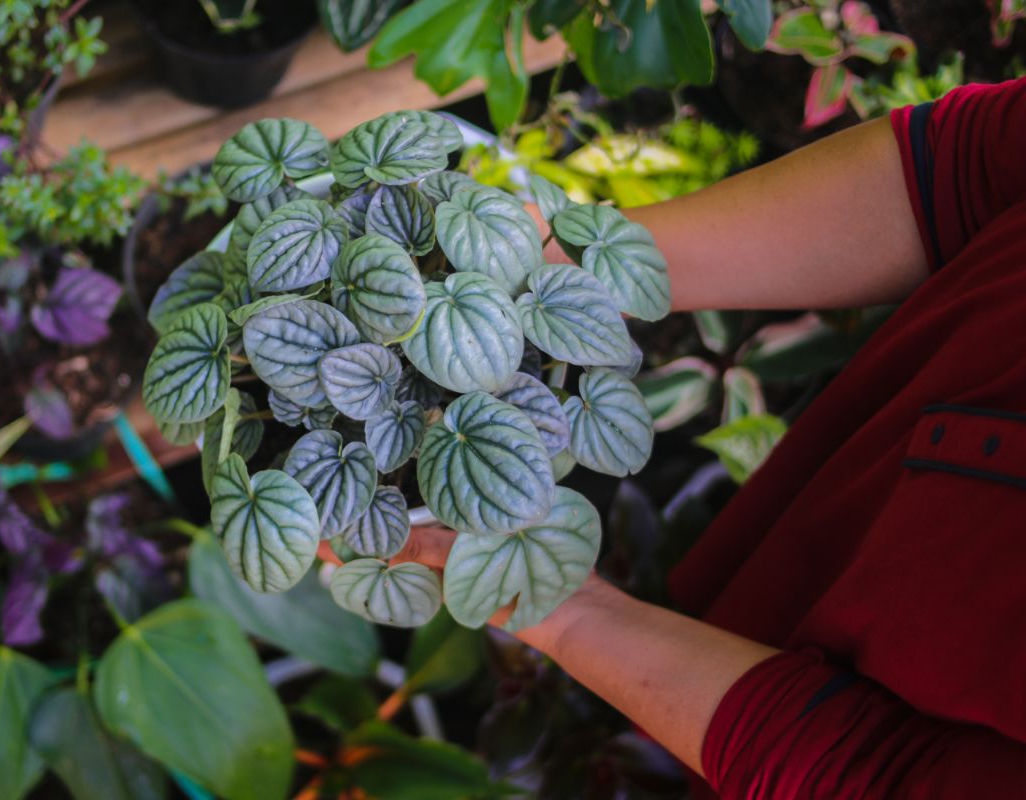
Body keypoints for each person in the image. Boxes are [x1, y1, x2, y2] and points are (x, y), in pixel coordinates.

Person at [321, 75, 1026, 797]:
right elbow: (970, 167)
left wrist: (568, 615)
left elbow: (874, 779)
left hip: (777, 732)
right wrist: (562, 267)